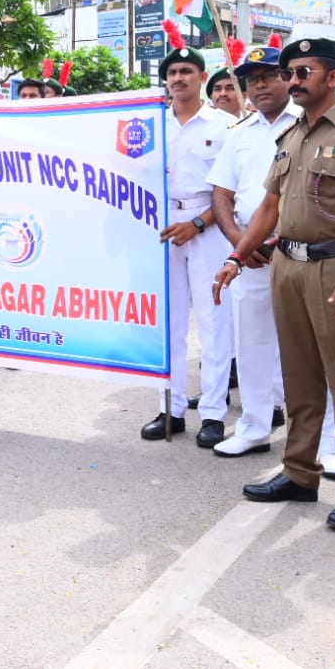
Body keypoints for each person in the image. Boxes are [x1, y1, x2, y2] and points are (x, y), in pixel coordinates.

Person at [215, 36, 335, 533]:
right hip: (287, 265)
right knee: (299, 377)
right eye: (290, 72)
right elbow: (269, 208)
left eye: (304, 72)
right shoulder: (291, 135)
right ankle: (300, 473)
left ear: (334, 77)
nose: (294, 81)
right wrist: (235, 256)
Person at [206, 45, 335, 478]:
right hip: (250, 256)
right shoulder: (240, 133)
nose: (260, 85)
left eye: (269, 76)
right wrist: (240, 245)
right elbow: (223, 194)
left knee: (318, 351)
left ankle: (331, 444)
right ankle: (254, 427)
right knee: (252, 343)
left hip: (304, 252)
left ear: (290, 79)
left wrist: (270, 240)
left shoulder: (314, 126)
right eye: (253, 79)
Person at [145, 44, 235, 447]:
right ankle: (171, 408)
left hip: (209, 223)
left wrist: (197, 223)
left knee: (215, 323)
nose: (178, 78)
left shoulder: (223, 126)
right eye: (172, 72)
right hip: (163, 224)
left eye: (186, 71)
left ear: (202, 76)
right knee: (168, 324)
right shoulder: (151, 123)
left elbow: (230, 190)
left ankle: (213, 412)